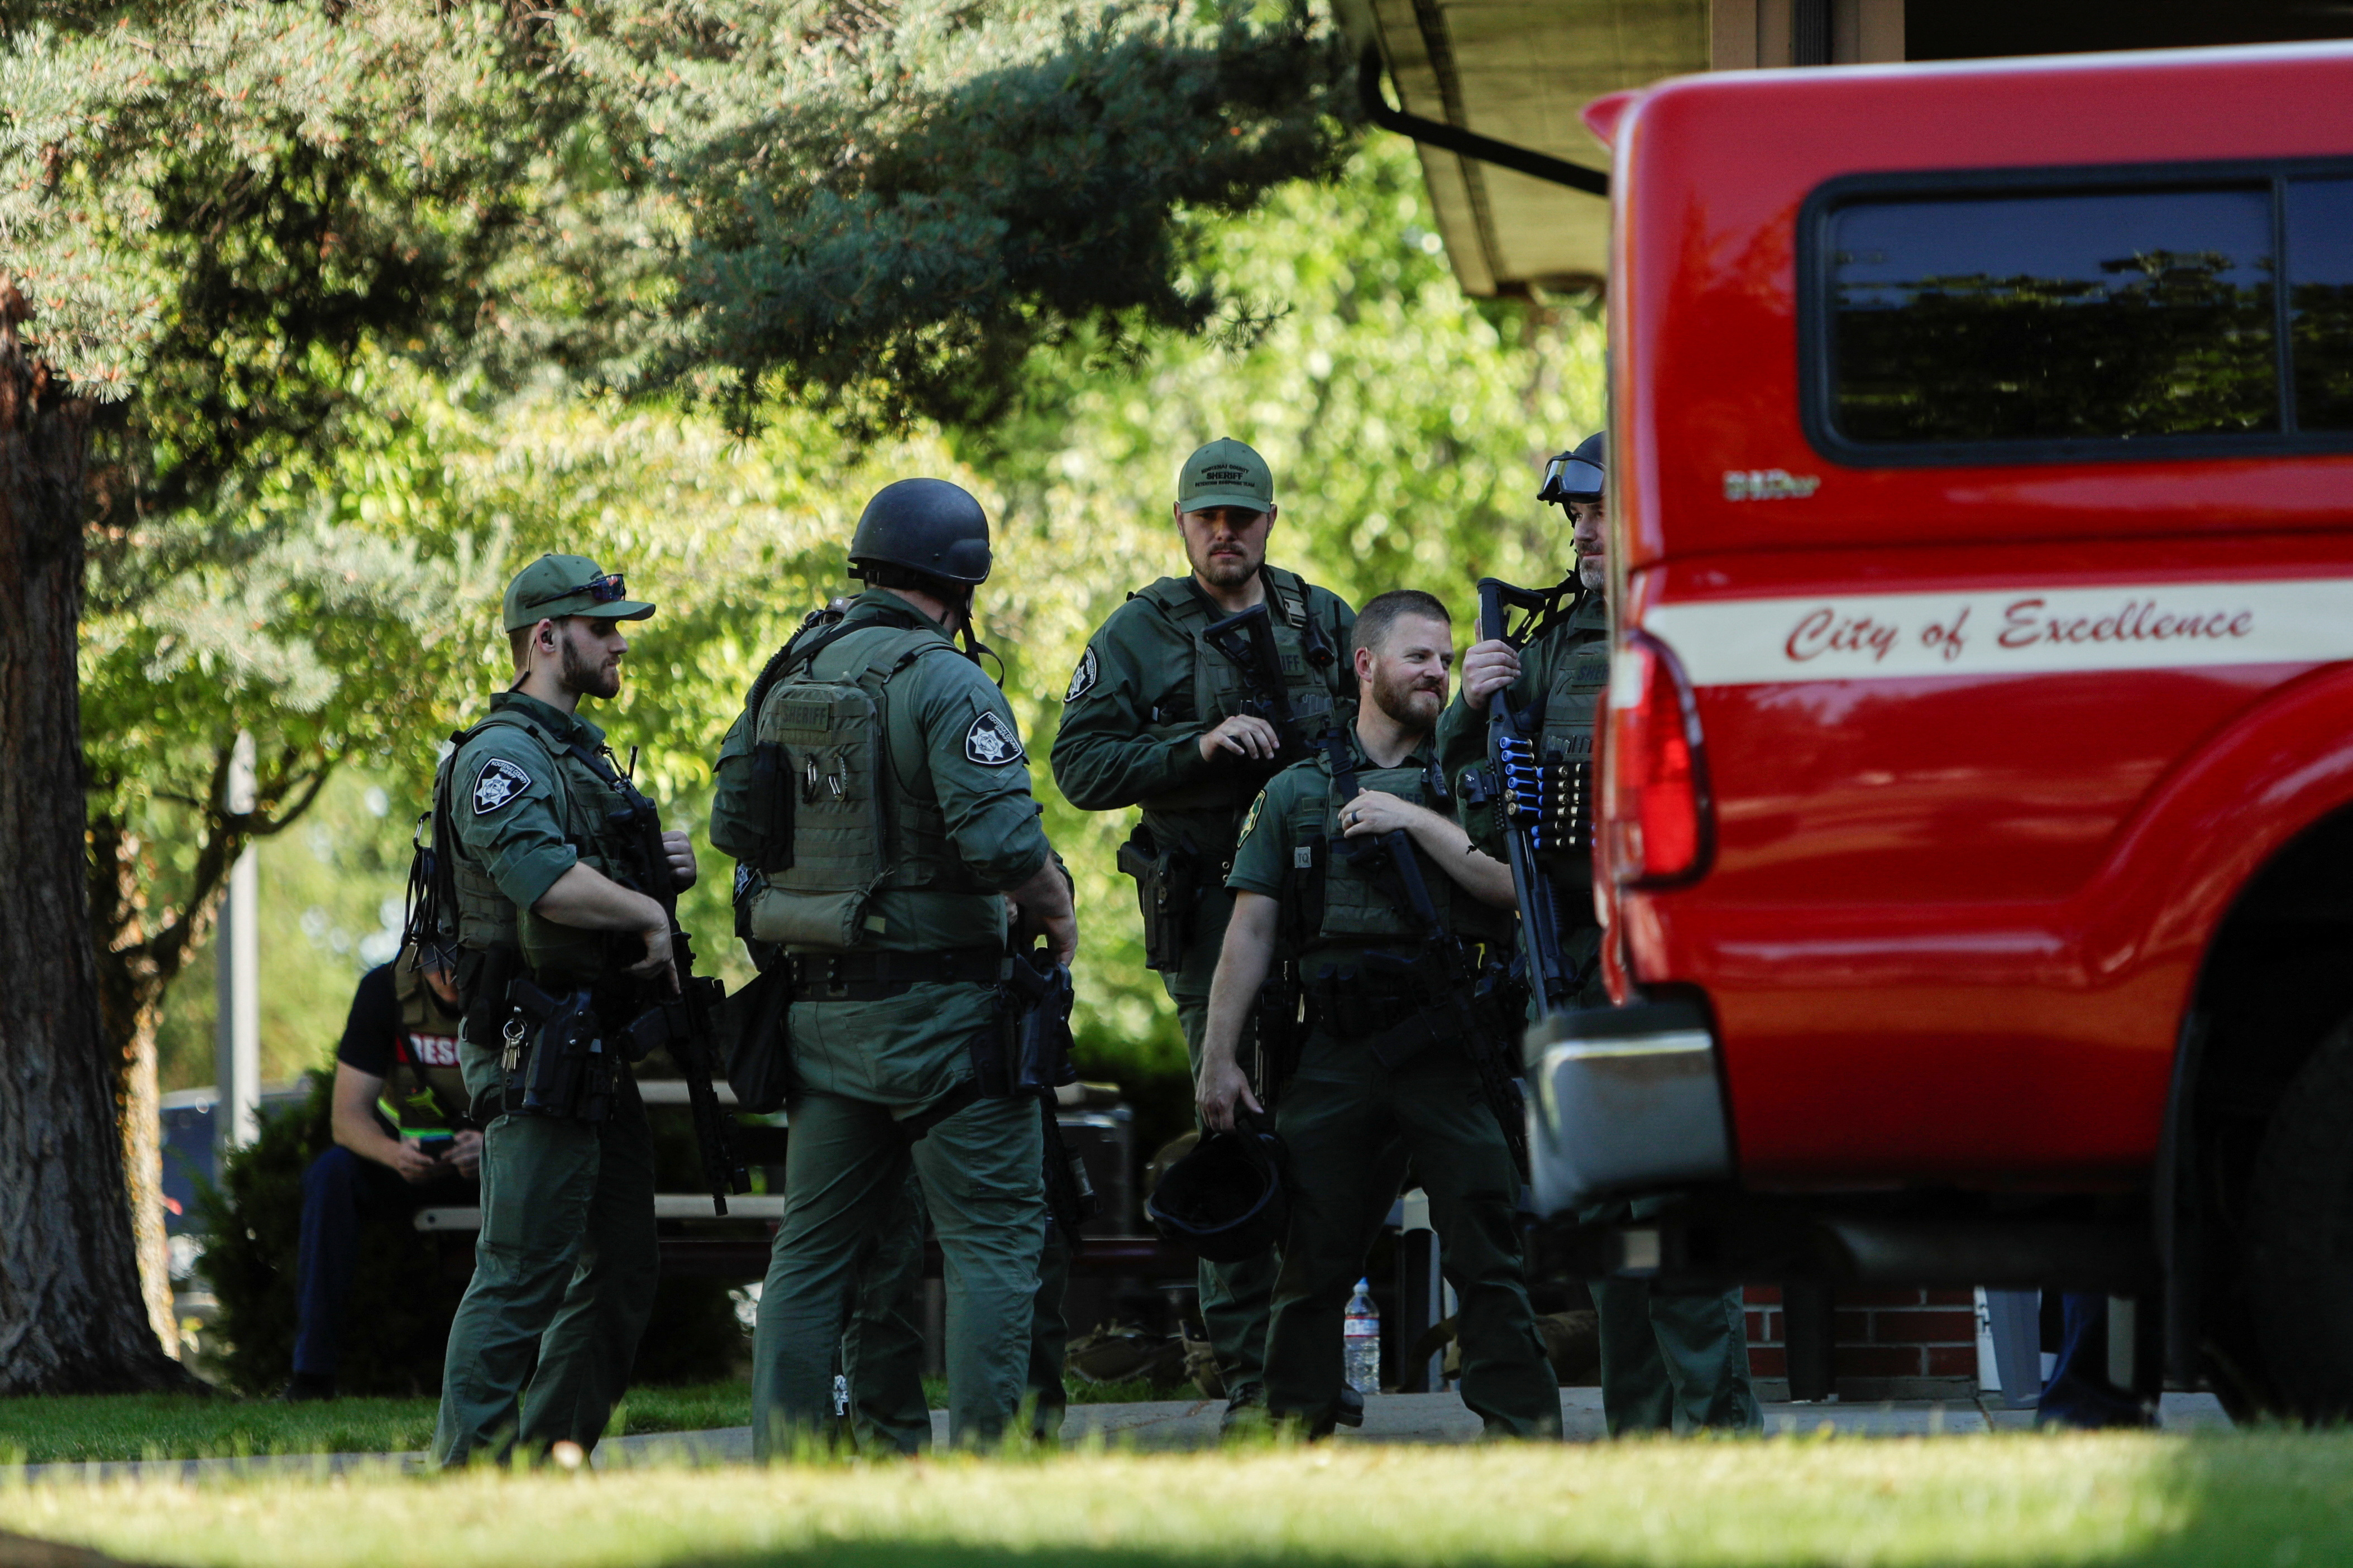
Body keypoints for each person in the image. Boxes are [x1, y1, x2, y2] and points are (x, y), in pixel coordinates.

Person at [713, 477, 1076, 1454]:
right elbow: (1004, 842)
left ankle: (785, 1462)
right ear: (964, 575)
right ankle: (991, 1465)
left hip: (821, 1016)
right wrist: (1058, 907)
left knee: (809, 1257)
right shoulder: (944, 679)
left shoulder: (787, 671)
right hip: (947, 1023)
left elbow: (729, 826)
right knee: (992, 1244)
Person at [1443, 431, 1762, 1437]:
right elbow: (1474, 792)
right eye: (1573, 515)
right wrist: (1469, 703)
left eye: (1599, 509)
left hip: (1655, 953)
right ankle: (1640, 1438)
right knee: (1608, 1218)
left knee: (1664, 1208)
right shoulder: (1543, 642)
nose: (1581, 530)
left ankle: (1717, 1432)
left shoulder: (1681, 620)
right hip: (1564, 959)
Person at [1197, 590, 1561, 1440]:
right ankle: (1288, 1429)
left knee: (1487, 1253)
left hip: (1451, 1046)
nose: (1437, 671)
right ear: (1367, 665)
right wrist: (1219, 1058)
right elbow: (1249, 931)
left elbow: (1513, 889)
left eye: (1444, 658)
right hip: (1333, 1053)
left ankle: (1527, 1434)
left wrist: (1413, 821)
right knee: (1313, 1259)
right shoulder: (1294, 791)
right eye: (1418, 656)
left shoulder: (1475, 777)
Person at [1050, 437, 1355, 1421]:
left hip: (1331, 914)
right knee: (1233, 1132)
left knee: (1332, 1141)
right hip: (1215, 917)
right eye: (1206, 516)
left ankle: (1311, 1371)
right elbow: (1080, 767)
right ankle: (1255, 1385)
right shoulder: (1140, 630)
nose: (1225, 532)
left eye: (1243, 515)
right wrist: (1195, 746)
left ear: (1270, 520)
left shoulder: (1319, 617)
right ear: (1180, 522)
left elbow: (1382, 727)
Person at [428, 553, 692, 1466]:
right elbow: (540, 880)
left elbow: (590, 871)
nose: (620, 643)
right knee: (521, 1266)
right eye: (604, 627)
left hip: (592, 1045)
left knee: (622, 1265)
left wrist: (658, 872)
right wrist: (645, 907)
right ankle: (467, 1467)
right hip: (529, 1043)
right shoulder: (500, 754)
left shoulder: (578, 756)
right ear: (546, 639)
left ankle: (549, 1454)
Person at [283, 946, 480, 1402]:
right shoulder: (384, 988)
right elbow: (347, 1117)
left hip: (501, 1161)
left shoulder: (514, 987)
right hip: (411, 1159)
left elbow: (545, 1109)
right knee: (331, 1173)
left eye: (462, 962)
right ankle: (311, 1377)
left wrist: (494, 1145)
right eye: (437, 963)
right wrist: (395, 1154)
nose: (449, 976)